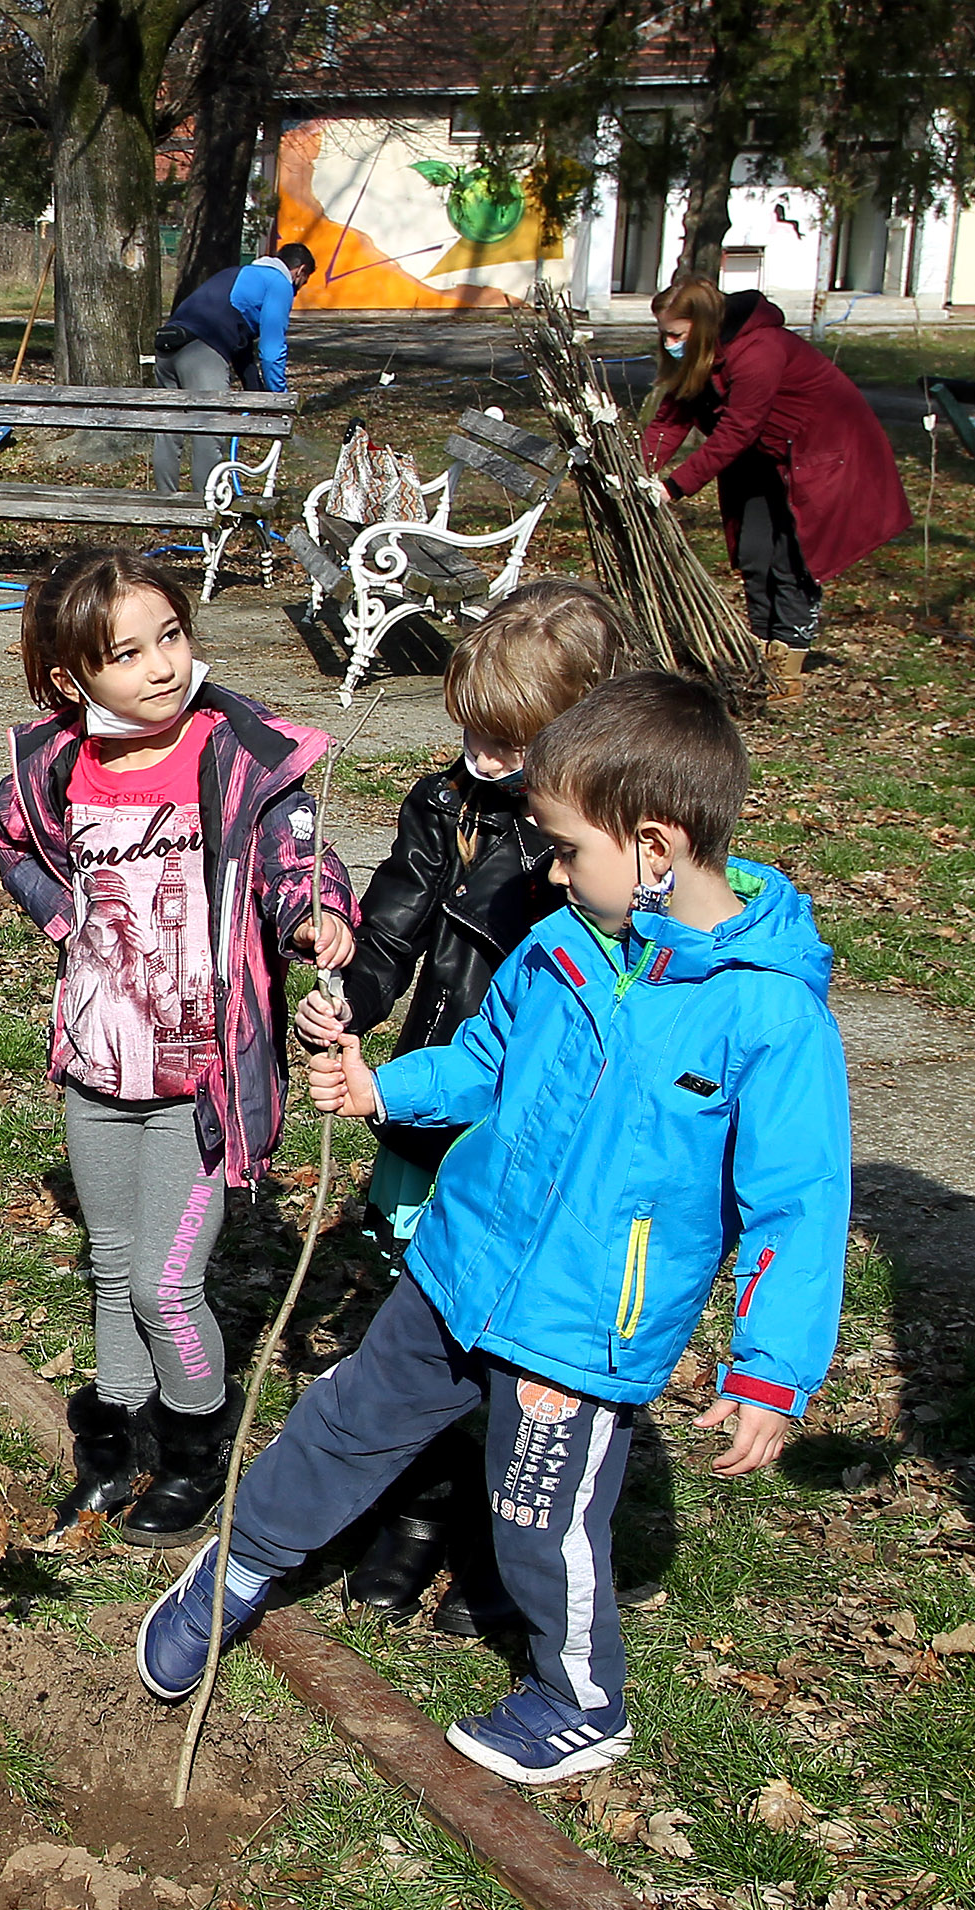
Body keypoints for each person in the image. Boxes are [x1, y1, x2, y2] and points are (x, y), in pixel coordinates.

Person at [140, 672, 850, 1786]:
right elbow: (485, 1061)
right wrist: (384, 1092)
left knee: (540, 1516)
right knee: (344, 1421)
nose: (552, 872)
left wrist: (770, 1372)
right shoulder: (562, 946)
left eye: (567, 848)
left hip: (581, 1324)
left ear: (654, 845)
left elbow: (799, 1204)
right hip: (462, 1261)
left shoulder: (769, 1012)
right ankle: (238, 1564)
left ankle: (579, 1697)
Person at [0, 551, 358, 1547]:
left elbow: (298, 862)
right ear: (72, 679)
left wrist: (315, 916)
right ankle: (124, 1436)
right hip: (97, 1063)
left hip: (203, 1078)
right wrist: (65, 920)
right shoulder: (59, 762)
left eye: (171, 636)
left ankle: (197, 1449)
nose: (160, 665)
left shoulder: (234, 755)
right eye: (126, 652)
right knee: (112, 1269)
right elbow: (10, 837)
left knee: (164, 1282)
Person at [288, 579, 630, 1626]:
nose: (482, 753)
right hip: (427, 1095)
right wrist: (350, 993)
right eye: (472, 726)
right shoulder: (443, 805)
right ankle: (424, 1509)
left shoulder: (586, 861)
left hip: (524, 1126)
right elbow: (394, 925)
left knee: (514, 1334)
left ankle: (502, 1531)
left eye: (508, 737)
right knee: (423, 1307)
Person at [644, 277, 914, 649]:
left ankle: (789, 656)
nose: (669, 344)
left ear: (704, 326)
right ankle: (763, 643)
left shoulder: (759, 351)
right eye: (664, 336)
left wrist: (674, 487)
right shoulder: (704, 355)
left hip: (818, 457)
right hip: (763, 459)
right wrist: (638, 471)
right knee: (755, 555)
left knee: (791, 562)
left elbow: (738, 429)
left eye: (676, 335)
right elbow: (672, 417)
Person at [152, 243, 314, 498]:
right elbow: (272, 351)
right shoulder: (279, 283)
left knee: (169, 430)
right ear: (300, 271)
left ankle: (164, 508)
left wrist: (257, 393)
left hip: (167, 348)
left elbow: (240, 345)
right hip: (201, 353)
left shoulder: (238, 274)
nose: (299, 287)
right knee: (210, 428)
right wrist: (278, 398)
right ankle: (207, 510)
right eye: (303, 281)